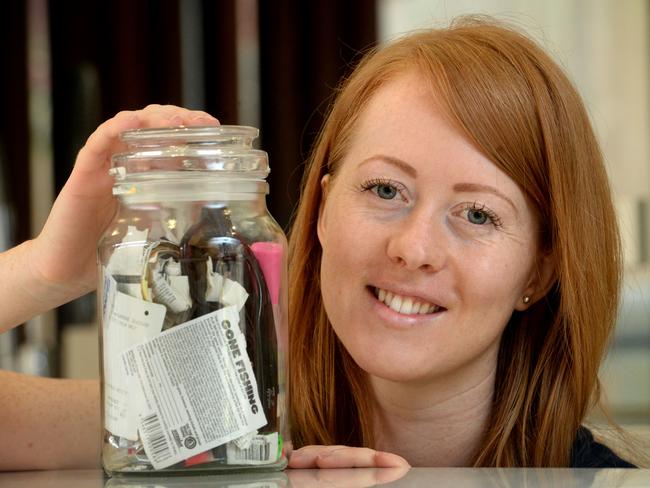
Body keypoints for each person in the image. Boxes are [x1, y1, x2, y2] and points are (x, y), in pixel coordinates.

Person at [0, 17, 638, 470]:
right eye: (386, 190)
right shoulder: (226, 431)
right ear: (324, 210)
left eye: (476, 214)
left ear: (540, 271)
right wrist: (45, 273)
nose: (414, 249)